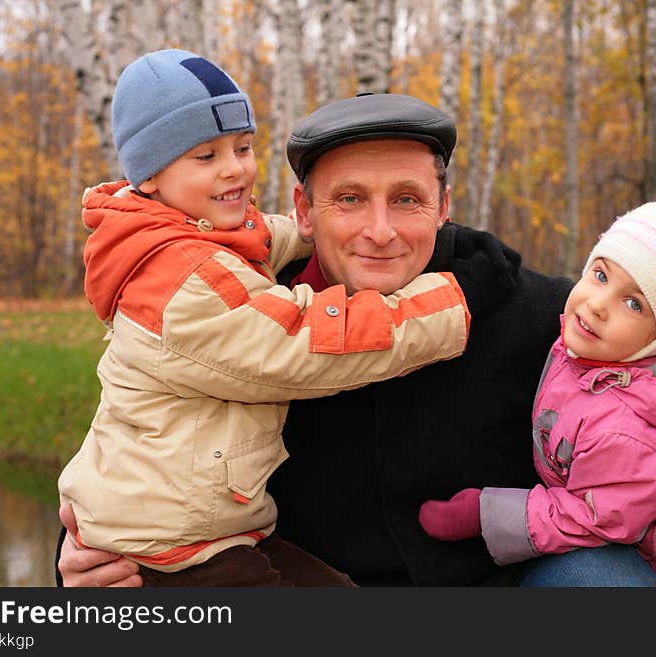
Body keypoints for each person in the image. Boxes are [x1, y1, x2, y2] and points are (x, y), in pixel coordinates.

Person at [57, 93, 656, 588]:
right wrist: (77, 560)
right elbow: (130, 459)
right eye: (348, 200)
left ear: (444, 204)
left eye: (406, 198)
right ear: (302, 209)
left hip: (501, 593)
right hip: (292, 584)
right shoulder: (242, 318)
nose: (379, 230)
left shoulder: (531, 308)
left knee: (601, 580)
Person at [58, 53, 491, 587]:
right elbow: (302, 342)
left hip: (215, 528)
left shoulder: (194, 234)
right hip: (173, 547)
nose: (235, 168)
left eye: (242, 148)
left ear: (443, 203)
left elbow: (264, 234)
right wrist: (444, 307)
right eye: (204, 156)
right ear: (149, 177)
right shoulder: (184, 281)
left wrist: (324, 223)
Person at [418, 193, 656, 587]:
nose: (599, 304)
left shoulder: (634, 434)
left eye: (634, 304)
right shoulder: (605, 348)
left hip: (639, 564)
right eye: (601, 275)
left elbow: (596, 518)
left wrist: (484, 514)